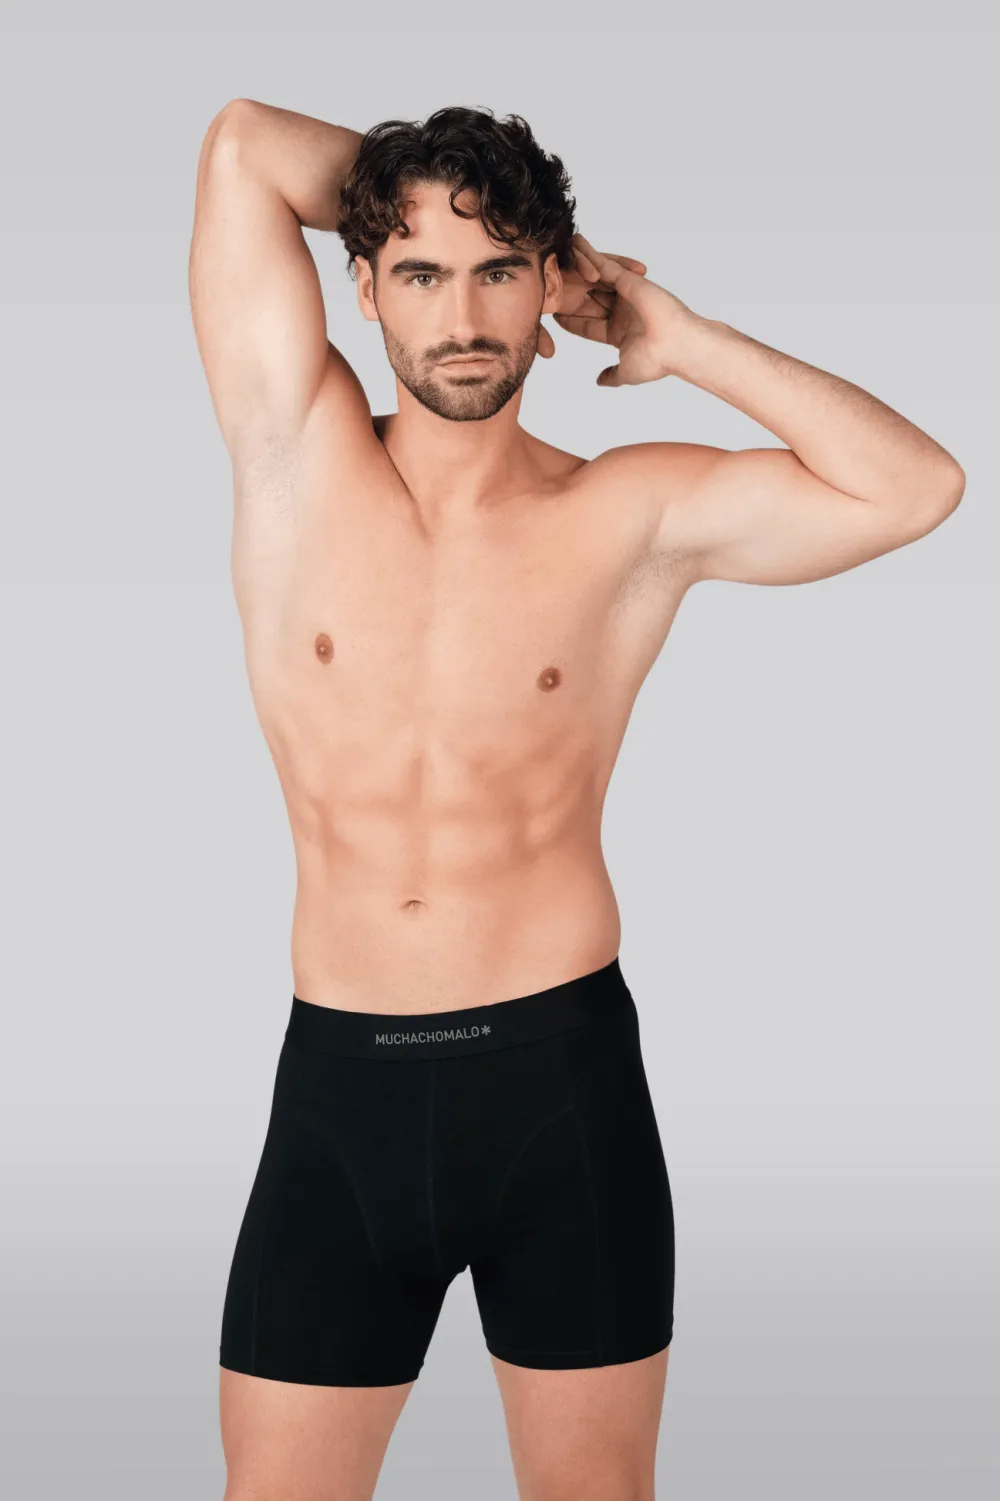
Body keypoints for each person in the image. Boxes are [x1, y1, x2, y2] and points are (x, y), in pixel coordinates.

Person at [188, 98, 964, 1501]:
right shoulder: (292, 454)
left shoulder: (626, 515)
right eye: (420, 272)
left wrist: (677, 334)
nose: (461, 315)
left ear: (549, 290)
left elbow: (916, 488)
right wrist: (460, 201)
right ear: (362, 289)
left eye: (500, 270)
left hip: (557, 1087)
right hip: (342, 1095)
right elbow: (244, 143)